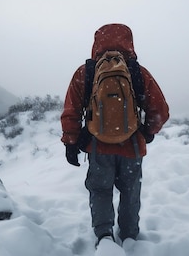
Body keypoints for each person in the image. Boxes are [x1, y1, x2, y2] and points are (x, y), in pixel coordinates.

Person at [60, 23, 170, 246]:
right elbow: (160, 110)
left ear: (96, 43)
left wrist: (71, 142)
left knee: (100, 190)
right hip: (132, 147)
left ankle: (104, 237)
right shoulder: (138, 72)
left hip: (97, 147)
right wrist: (147, 131)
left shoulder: (86, 72)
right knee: (130, 193)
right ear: (129, 42)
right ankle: (130, 237)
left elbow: (71, 111)